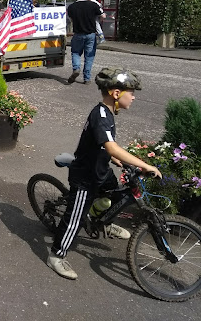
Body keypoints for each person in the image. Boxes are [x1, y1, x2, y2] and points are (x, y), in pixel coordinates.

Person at [46, 68, 162, 281]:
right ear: (116, 94)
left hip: (100, 170)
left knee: (115, 194)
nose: (134, 97)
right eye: (131, 92)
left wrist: (115, 159)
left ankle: (103, 222)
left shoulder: (108, 113)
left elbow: (102, 145)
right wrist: (145, 165)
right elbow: (111, 146)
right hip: (86, 177)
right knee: (75, 220)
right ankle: (56, 256)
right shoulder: (100, 115)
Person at [67, 0, 104, 84]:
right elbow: (102, 15)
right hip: (91, 34)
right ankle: (87, 78)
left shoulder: (71, 7)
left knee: (75, 53)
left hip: (78, 34)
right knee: (89, 56)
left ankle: (76, 68)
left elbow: (71, 19)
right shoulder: (93, 5)